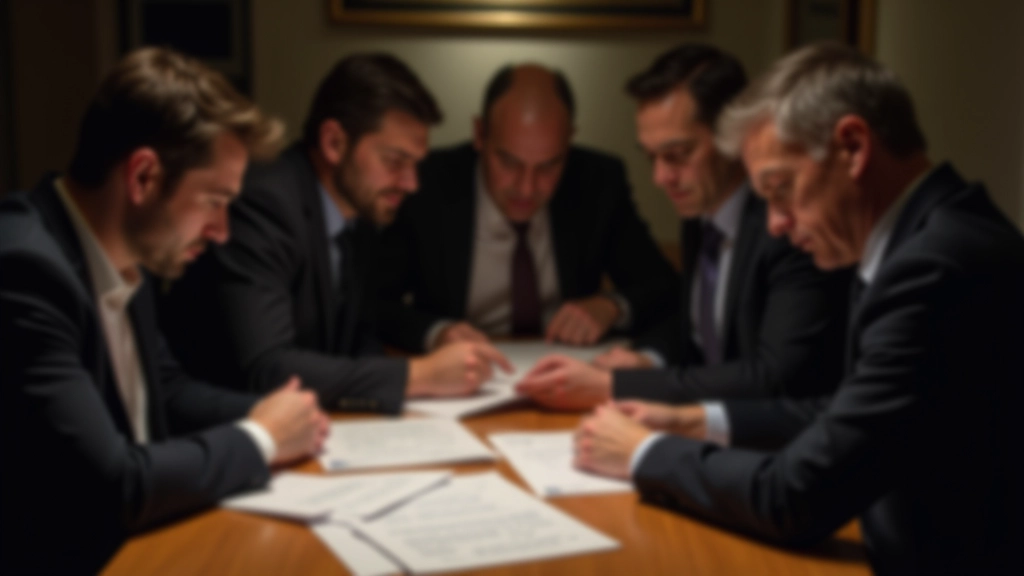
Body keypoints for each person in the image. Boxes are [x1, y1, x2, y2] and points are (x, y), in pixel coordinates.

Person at [573, 43, 1024, 575]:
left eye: (781, 190)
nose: (775, 225)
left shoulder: (934, 267)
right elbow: (842, 412)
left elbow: (798, 496)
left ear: (853, 148)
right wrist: (692, 420)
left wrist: (646, 455)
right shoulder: (923, 235)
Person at [0, 48, 329, 575]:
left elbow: (168, 393)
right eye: (213, 201)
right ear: (144, 178)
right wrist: (262, 437)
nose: (222, 232)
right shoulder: (23, 273)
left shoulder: (132, 250)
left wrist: (273, 411)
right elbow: (112, 485)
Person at [160, 54, 511, 415]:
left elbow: (360, 337)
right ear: (334, 143)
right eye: (394, 161)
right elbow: (268, 368)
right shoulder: (266, 202)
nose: (411, 184)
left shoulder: (359, 210)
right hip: (221, 432)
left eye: (416, 164)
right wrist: (417, 375)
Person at [515, 45, 851, 416]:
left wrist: (616, 385)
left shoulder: (786, 223)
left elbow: (772, 376)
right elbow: (696, 330)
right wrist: (647, 359)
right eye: (652, 157)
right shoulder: (701, 206)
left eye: (677, 154)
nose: (661, 178)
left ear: (732, 136)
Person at [375, 63, 679, 353]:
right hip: (458, 374)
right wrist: (436, 333)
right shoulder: (426, 184)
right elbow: (375, 301)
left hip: (567, 370)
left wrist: (611, 307)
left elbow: (662, 287)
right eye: (508, 162)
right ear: (480, 134)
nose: (527, 188)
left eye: (548, 166)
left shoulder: (597, 182)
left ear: (569, 142)